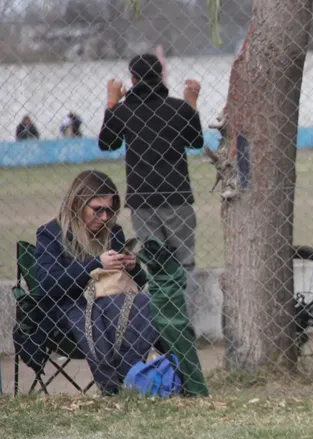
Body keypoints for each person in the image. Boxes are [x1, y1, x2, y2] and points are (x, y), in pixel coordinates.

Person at [34, 170, 157, 395]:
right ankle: (113, 388)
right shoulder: (52, 233)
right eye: (97, 209)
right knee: (92, 315)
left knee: (142, 303)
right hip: (67, 307)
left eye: (109, 210)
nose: (104, 217)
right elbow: (47, 284)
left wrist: (133, 268)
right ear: (76, 204)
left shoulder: (113, 232)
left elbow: (134, 285)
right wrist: (95, 264)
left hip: (110, 302)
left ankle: (129, 381)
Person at [98, 53, 204, 276]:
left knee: (154, 266)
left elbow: (107, 144)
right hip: (176, 194)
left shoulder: (124, 111)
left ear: (133, 79)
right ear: (161, 76)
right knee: (185, 263)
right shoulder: (178, 108)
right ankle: (186, 300)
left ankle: (158, 300)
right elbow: (196, 141)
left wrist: (112, 102)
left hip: (142, 197)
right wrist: (191, 104)